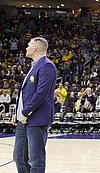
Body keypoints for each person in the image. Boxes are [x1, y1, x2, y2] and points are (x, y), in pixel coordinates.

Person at [13, 37, 57, 173]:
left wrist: (25, 112)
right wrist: (18, 114)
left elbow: (41, 93)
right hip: (23, 120)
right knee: (19, 157)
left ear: (35, 48)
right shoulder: (34, 66)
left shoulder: (47, 66)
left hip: (37, 118)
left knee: (35, 159)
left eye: (28, 45)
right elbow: (25, 94)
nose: (25, 48)